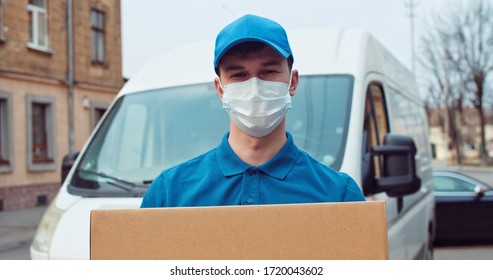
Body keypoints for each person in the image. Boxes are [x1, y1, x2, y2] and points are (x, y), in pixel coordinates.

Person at [141, 14, 365, 208]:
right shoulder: (169, 193)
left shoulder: (339, 194)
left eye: (268, 71)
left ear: (292, 82)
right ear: (220, 89)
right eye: (239, 75)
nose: (254, 87)